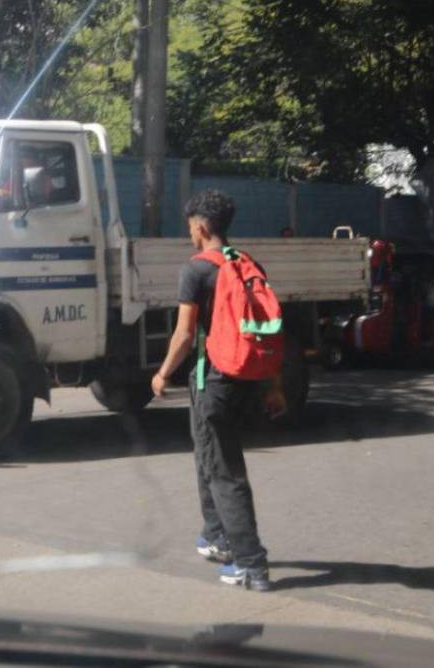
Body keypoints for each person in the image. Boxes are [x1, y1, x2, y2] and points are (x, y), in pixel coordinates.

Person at [150, 189, 283, 593]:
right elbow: (265, 331)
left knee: (225, 472)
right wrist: (274, 385)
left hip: (214, 380)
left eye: (190, 227)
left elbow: (184, 334)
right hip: (246, 377)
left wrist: (162, 373)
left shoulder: (196, 270)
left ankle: (250, 565)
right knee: (208, 457)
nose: (189, 234)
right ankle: (216, 535)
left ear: (202, 226)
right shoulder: (247, 263)